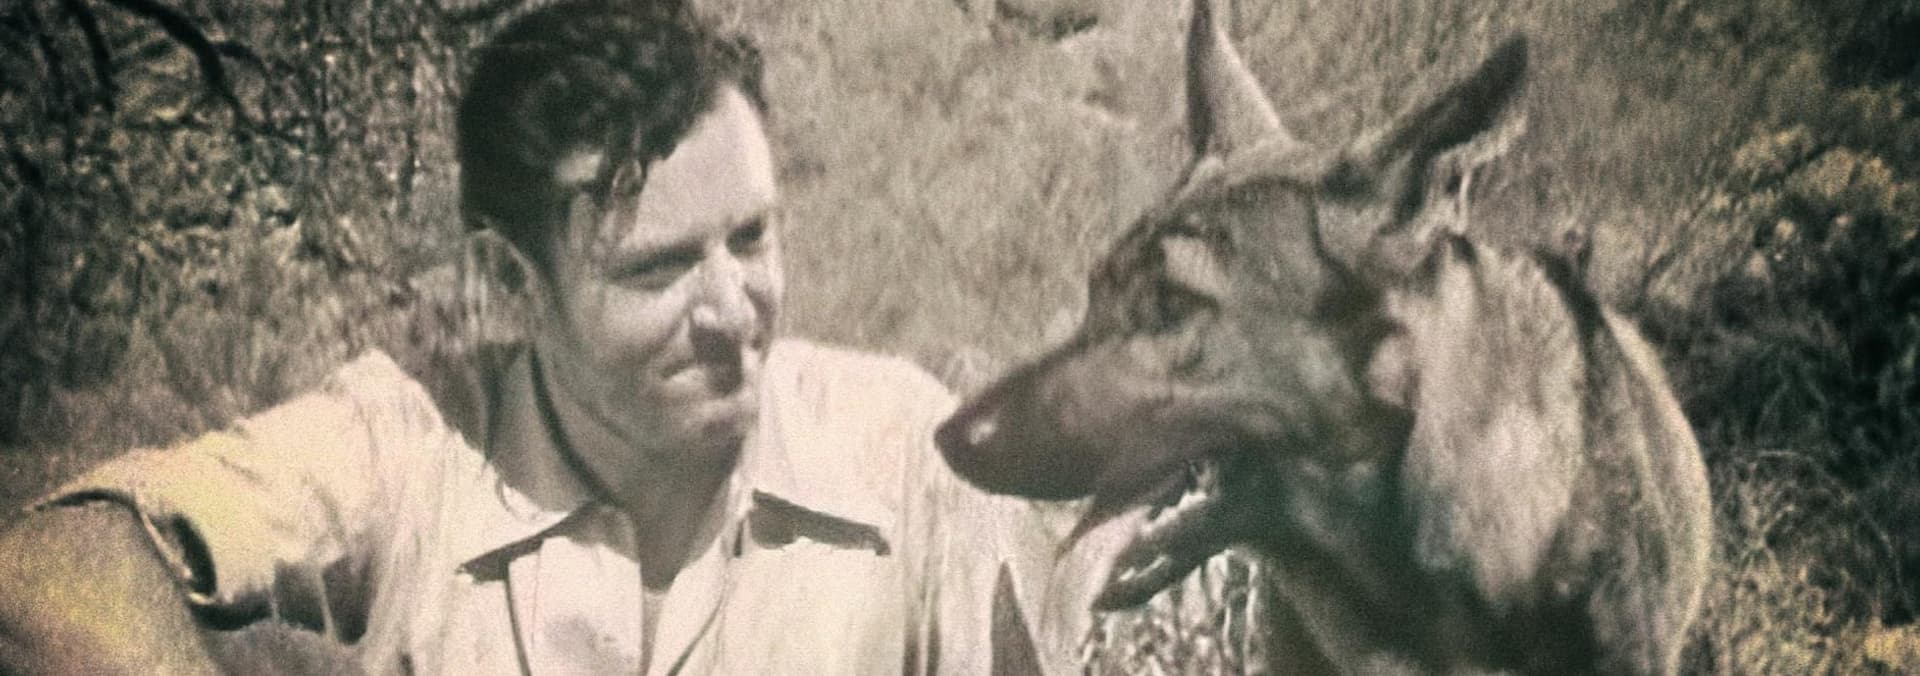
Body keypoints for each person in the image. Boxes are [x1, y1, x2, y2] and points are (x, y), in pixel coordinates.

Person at [0, 1, 1059, 672]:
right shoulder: (412, 446)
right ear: (513, 282)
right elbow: (47, 569)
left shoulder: (903, 457)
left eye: (751, 237)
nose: (735, 312)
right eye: (658, 269)